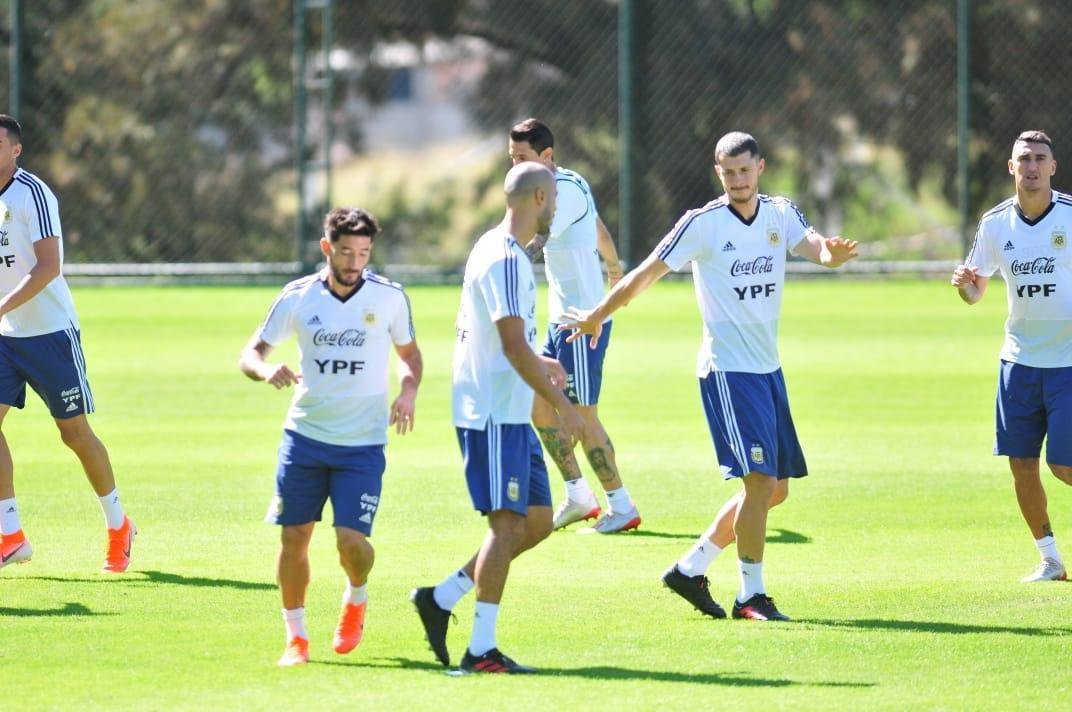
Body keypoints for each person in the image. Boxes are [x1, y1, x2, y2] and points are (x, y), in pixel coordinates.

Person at [561, 132, 857, 621]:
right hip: (728, 371)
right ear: (717, 173)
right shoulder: (702, 225)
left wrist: (832, 255)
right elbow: (645, 274)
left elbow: (815, 247)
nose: (738, 180)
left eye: (745, 170)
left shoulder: (781, 213)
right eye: (728, 172)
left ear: (760, 167)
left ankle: (690, 567)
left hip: (767, 369)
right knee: (759, 482)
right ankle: (751, 596)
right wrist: (599, 313)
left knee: (774, 489)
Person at [410, 162, 585, 673]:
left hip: (506, 409)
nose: (555, 208)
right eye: (552, 198)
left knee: (534, 523)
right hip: (490, 412)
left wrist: (542, 359)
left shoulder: (497, 249)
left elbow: (508, 337)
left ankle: (441, 599)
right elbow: (510, 347)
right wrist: (564, 408)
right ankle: (480, 650)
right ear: (537, 198)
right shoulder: (505, 260)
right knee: (506, 525)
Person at [239, 207, 423, 666]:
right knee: (294, 537)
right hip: (305, 437)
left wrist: (408, 390)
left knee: (350, 544)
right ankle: (296, 638)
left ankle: (356, 595)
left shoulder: (389, 298)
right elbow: (251, 352)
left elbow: (410, 355)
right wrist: (265, 370)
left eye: (363, 252)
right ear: (327, 247)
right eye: (345, 251)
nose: (355, 261)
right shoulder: (298, 297)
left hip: (362, 443)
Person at [0, 115, 135, 575]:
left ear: (16, 150)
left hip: (50, 334)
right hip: (3, 337)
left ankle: (119, 525)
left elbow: (48, 266)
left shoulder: (32, 193)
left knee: (73, 434)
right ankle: (11, 534)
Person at [507, 118, 639, 534]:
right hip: (559, 321)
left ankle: (622, 505)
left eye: (522, 158)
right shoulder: (563, 185)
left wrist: (494, 266)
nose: (514, 167)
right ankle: (579, 496)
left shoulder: (558, 194)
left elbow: (534, 243)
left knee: (582, 416)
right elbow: (598, 227)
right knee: (539, 406)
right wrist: (615, 266)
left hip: (583, 323)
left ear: (546, 156)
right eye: (511, 159)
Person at [952, 129, 1072, 583]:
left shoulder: (1070, 216)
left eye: (1041, 158)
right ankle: (1050, 559)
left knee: (1064, 465)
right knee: (1021, 465)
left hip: (1067, 364)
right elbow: (975, 291)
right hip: (1018, 364)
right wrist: (965, 283)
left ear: (1053, 166)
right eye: (1024, 159)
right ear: (1011, 167)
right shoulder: (995, 223)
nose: (1032, 167)